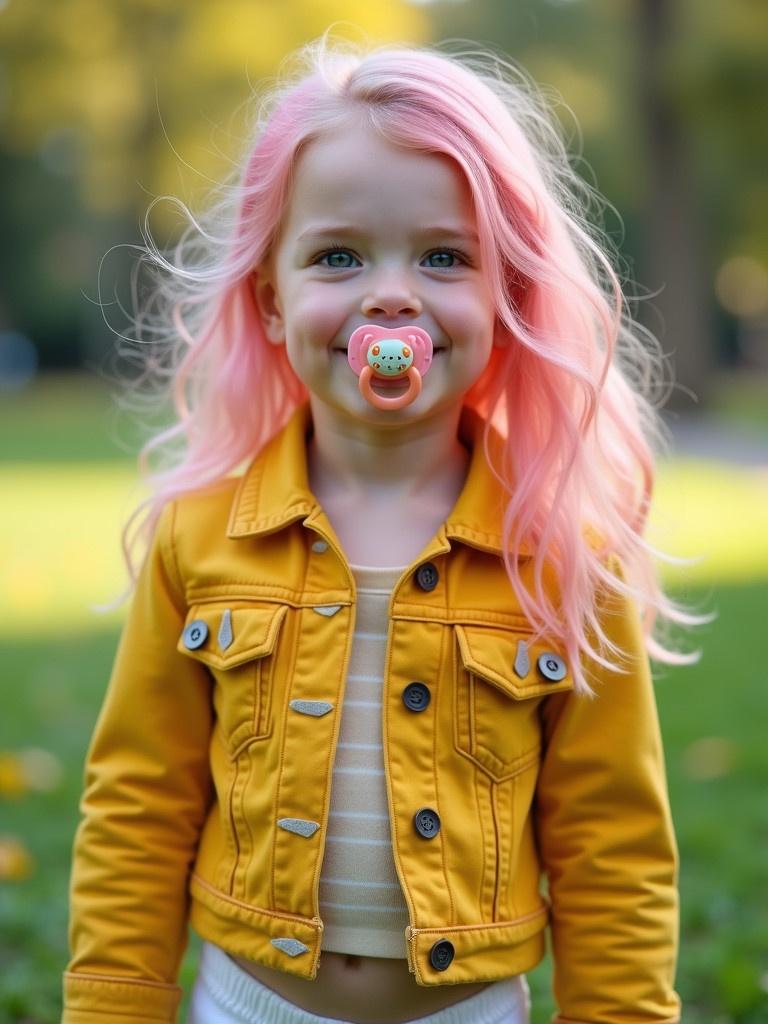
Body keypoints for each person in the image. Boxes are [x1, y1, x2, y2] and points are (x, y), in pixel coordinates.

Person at [63, 33, 696, 1024]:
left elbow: (611, 840)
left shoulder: (566, 551)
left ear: (507, 295)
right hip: (249, 1005)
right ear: (273, 302)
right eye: (339, 255)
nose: (391, 292)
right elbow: (138, 808)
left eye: (444, 256)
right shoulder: (200, 538)